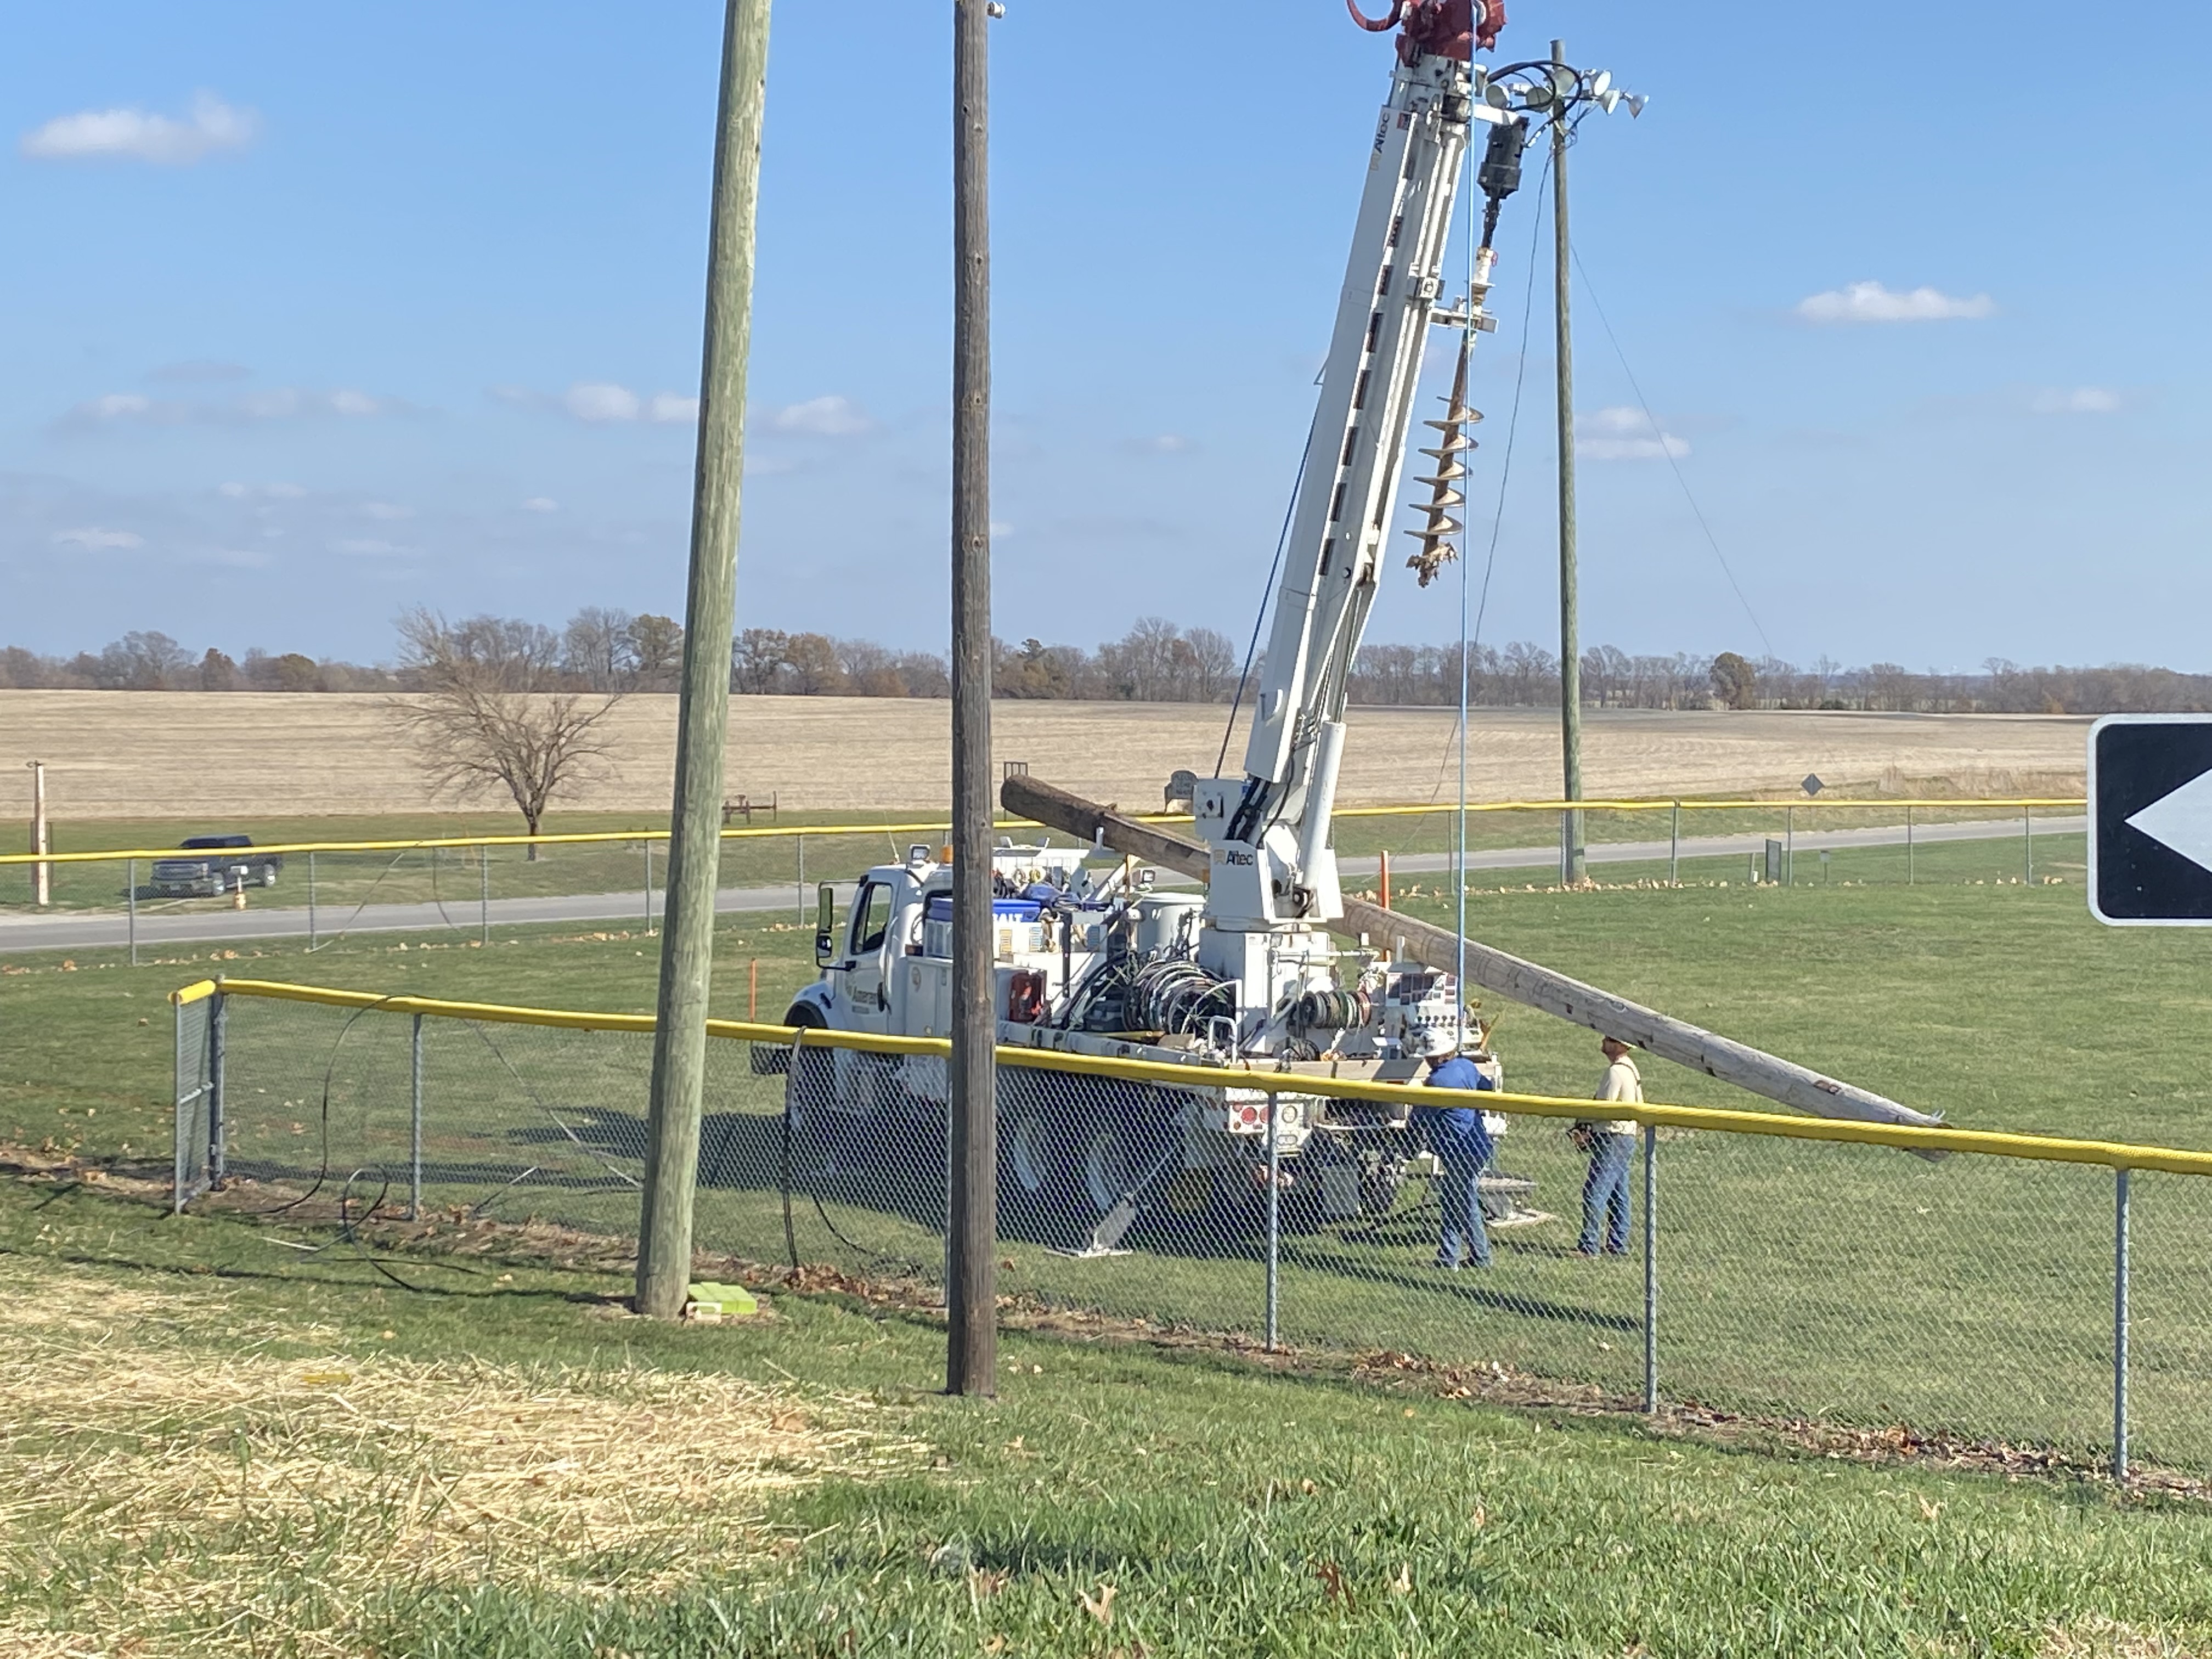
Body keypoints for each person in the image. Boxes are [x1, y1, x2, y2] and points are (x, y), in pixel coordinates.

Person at [1413, 1031, 1497, 1269]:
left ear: (1437, 1057)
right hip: (1476, 1144)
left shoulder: (1437, 1083)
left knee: (1460, 1201)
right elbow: (1487, 1088)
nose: (1427, 1061)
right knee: (1457, 1199)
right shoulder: (1466, 1066)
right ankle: (1462, 1256)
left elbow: (1419, 1119)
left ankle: (1466, 1258)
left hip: (1459, 1150)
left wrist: (1408, 1145)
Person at [1575, 1036, 1642, 1257]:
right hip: (1626, 1137)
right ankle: (1618, 1243)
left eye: (1610, 1040)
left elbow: (1604, 1107)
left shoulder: (1615, 1072)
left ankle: (1589, 1245)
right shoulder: (1632, 1069)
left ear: (1620, 1045)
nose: (1603, 1041)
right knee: (1618, 1193)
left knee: (1594, 1193)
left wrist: (1583, 1124)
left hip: (1611, 1137)